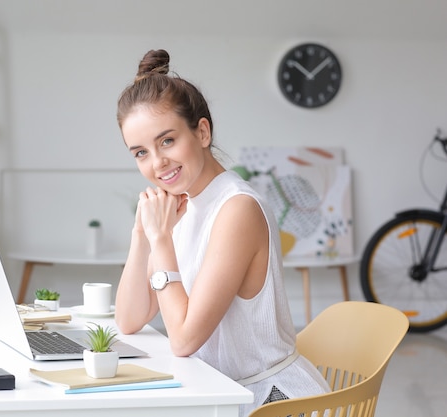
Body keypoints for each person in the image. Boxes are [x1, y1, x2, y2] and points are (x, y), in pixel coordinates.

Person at [114, 49, 331, 415]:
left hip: (271, 401)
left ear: (201, 131)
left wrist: (162, 239)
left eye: (167, 141)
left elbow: (183, 339)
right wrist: (143, 232)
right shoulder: (182, 205)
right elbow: (129, 319)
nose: (157, 163)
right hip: (219, 395)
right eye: (140, 153)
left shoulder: (236, 209)